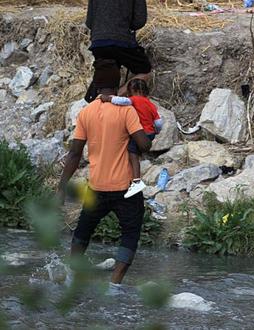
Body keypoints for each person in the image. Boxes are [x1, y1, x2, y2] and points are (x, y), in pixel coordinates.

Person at [58, 61, 152, 294]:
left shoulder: (86, 112)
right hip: (126, 187)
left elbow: (74, 154)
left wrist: (61, 188)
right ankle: (114, 285)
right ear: (117, 84)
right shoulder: (126, 110)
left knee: (82, 232)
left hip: (97, 186)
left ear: (97, 85)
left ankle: (71, 277)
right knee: (130, 233)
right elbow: (144, 145)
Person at [101, 79, 163, 198]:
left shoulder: (134, 100)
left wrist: (108, 98)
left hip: (140, 133)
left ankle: (136, 181)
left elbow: (123, 101)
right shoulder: (150, 104)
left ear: (132, 91)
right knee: (136, 153)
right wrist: (157, 131)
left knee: (132, 154)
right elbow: (158, 122)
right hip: (150, 133)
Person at [84, 0, 151, 102]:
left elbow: (89, 22)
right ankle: (117, 96)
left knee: (106, 73)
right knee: (145, 70)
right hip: (122, 40)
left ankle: (97, 101)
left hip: (98, 41)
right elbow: (139, 21)